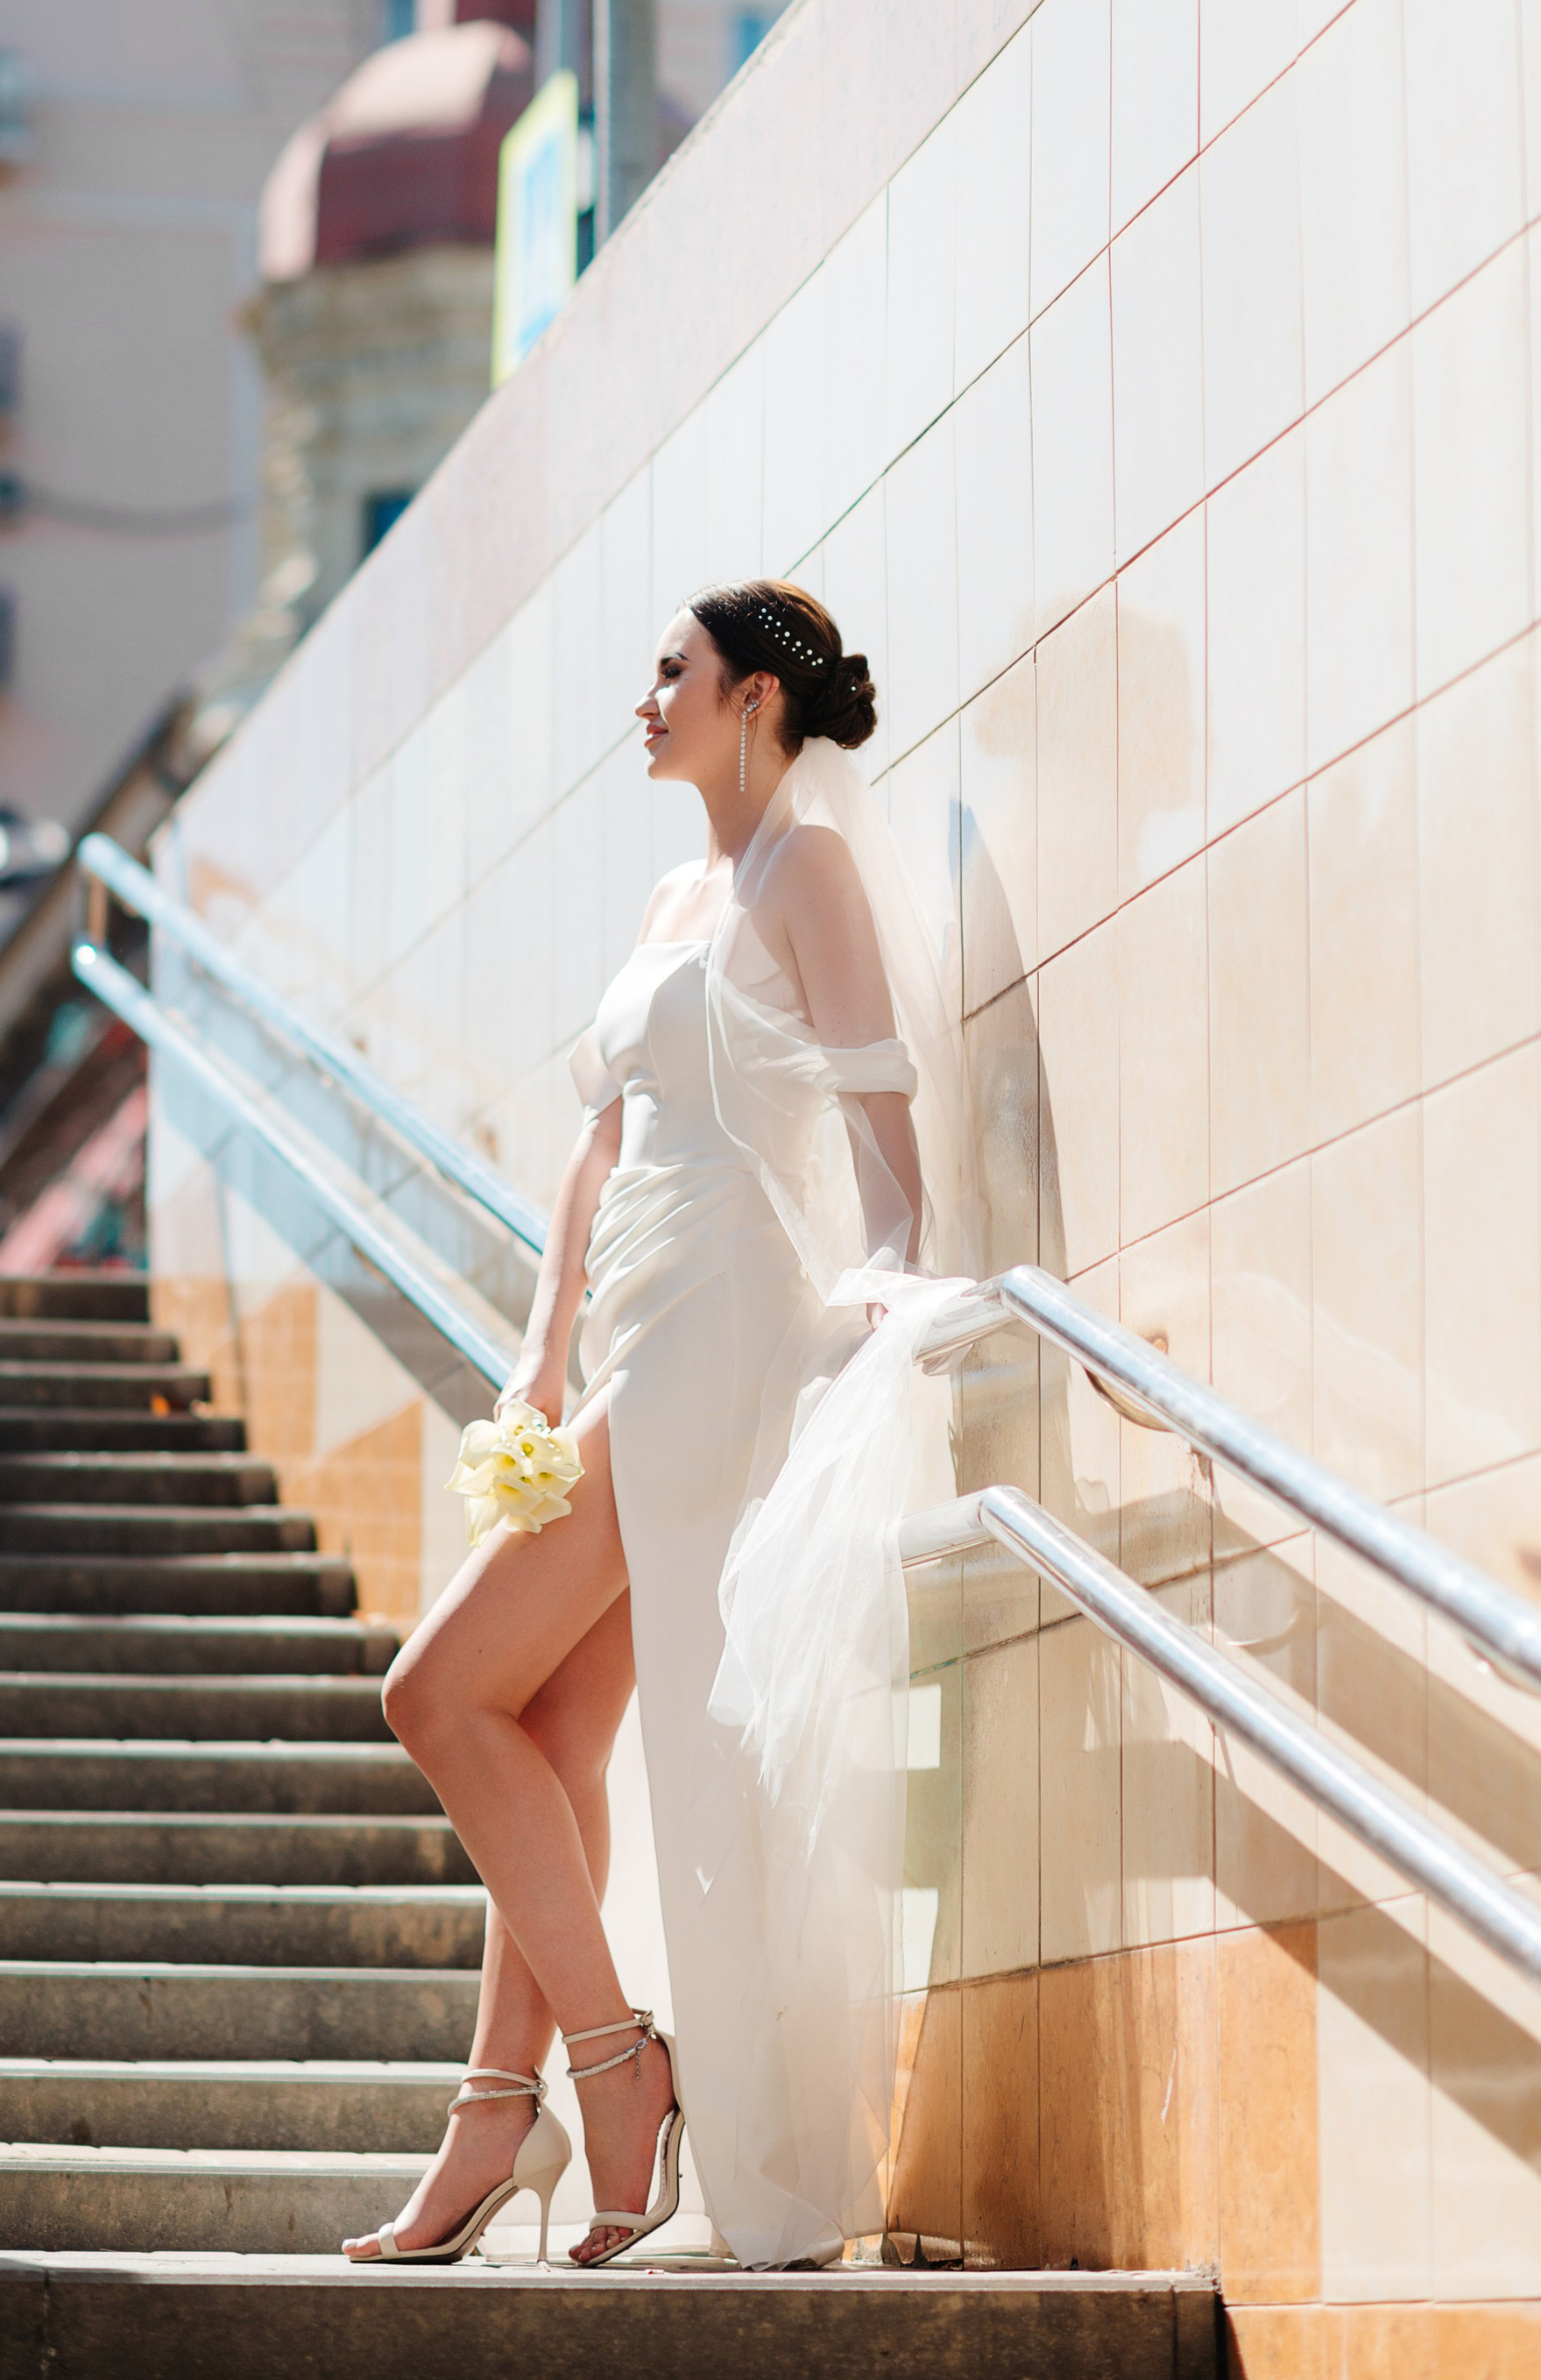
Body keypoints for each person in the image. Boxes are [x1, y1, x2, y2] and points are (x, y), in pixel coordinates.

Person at [341, 577, 972, 2272]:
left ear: (755, 698)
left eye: (673, 671)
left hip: (725, 1327)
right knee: (547, 1734)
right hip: (634, 1329)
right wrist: (539, 1354)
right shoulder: (671, 892)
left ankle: (617, 2071)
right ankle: (501, 2113)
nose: (648, 696)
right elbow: (599, 1136)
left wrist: (894, 1268)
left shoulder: (805, 869)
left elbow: (877, 1095)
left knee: (436, 1693)